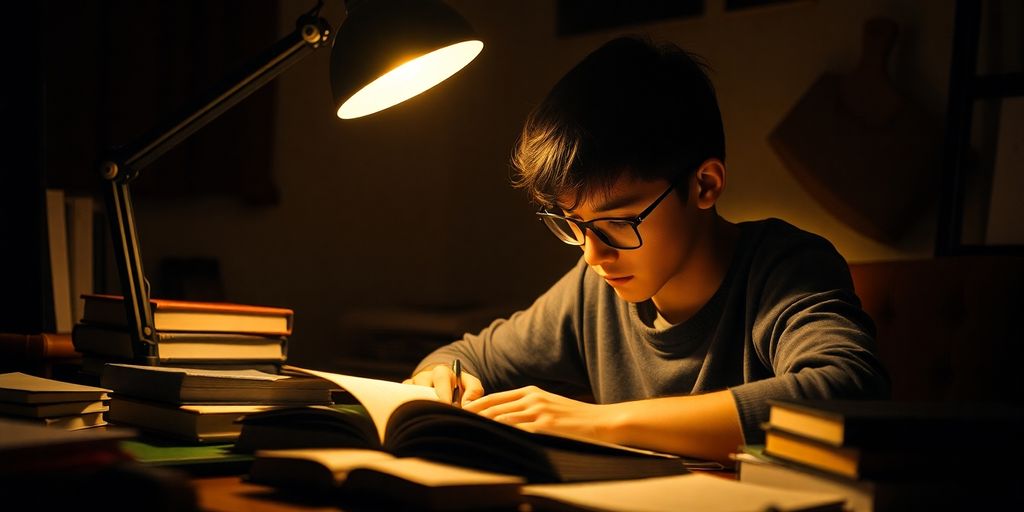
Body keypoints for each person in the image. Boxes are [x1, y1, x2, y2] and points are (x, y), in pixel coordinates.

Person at [405, 35, 890, 463]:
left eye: (618, 222)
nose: (593, 256)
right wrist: (442, 376)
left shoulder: (783, 268)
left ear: (704, 185)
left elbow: (848, 390)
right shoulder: (594, 291)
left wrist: (600, 422)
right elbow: (466, 355)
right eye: (573, 223)